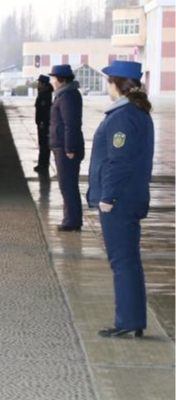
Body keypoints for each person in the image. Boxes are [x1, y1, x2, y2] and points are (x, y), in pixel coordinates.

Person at [86, 60, 154, 338]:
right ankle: (133, 319)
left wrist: (108, 197)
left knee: (122, 262)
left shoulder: (122, 117)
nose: (107, 86)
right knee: (128, 260)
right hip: (131, 196)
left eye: (108, 82)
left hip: (119, 200)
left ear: (116, 84)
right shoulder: (137, 112)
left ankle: (127, 321)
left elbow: (119, 162)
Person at [49, 64, 84, 232]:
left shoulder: (68, 97)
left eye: (53, 78)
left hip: (65, 148)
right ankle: (71, 218)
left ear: (61, 80)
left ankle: (71, 221)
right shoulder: (64, 95)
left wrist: (70, 148)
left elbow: (71, 125)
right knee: (67, 184)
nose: (52, 81)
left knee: (68, 185)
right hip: (62, 146)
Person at [34, 75, 53, 174]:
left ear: (43, 83)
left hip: (44, 125)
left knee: (44, 145)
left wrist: (41, 122)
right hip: (43, 124)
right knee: (43, 144)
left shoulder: (44, 95)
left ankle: (43, 165)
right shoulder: (45, 93)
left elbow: (44, 111)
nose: (38, 84)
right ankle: (42, 164)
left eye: (39, 82)